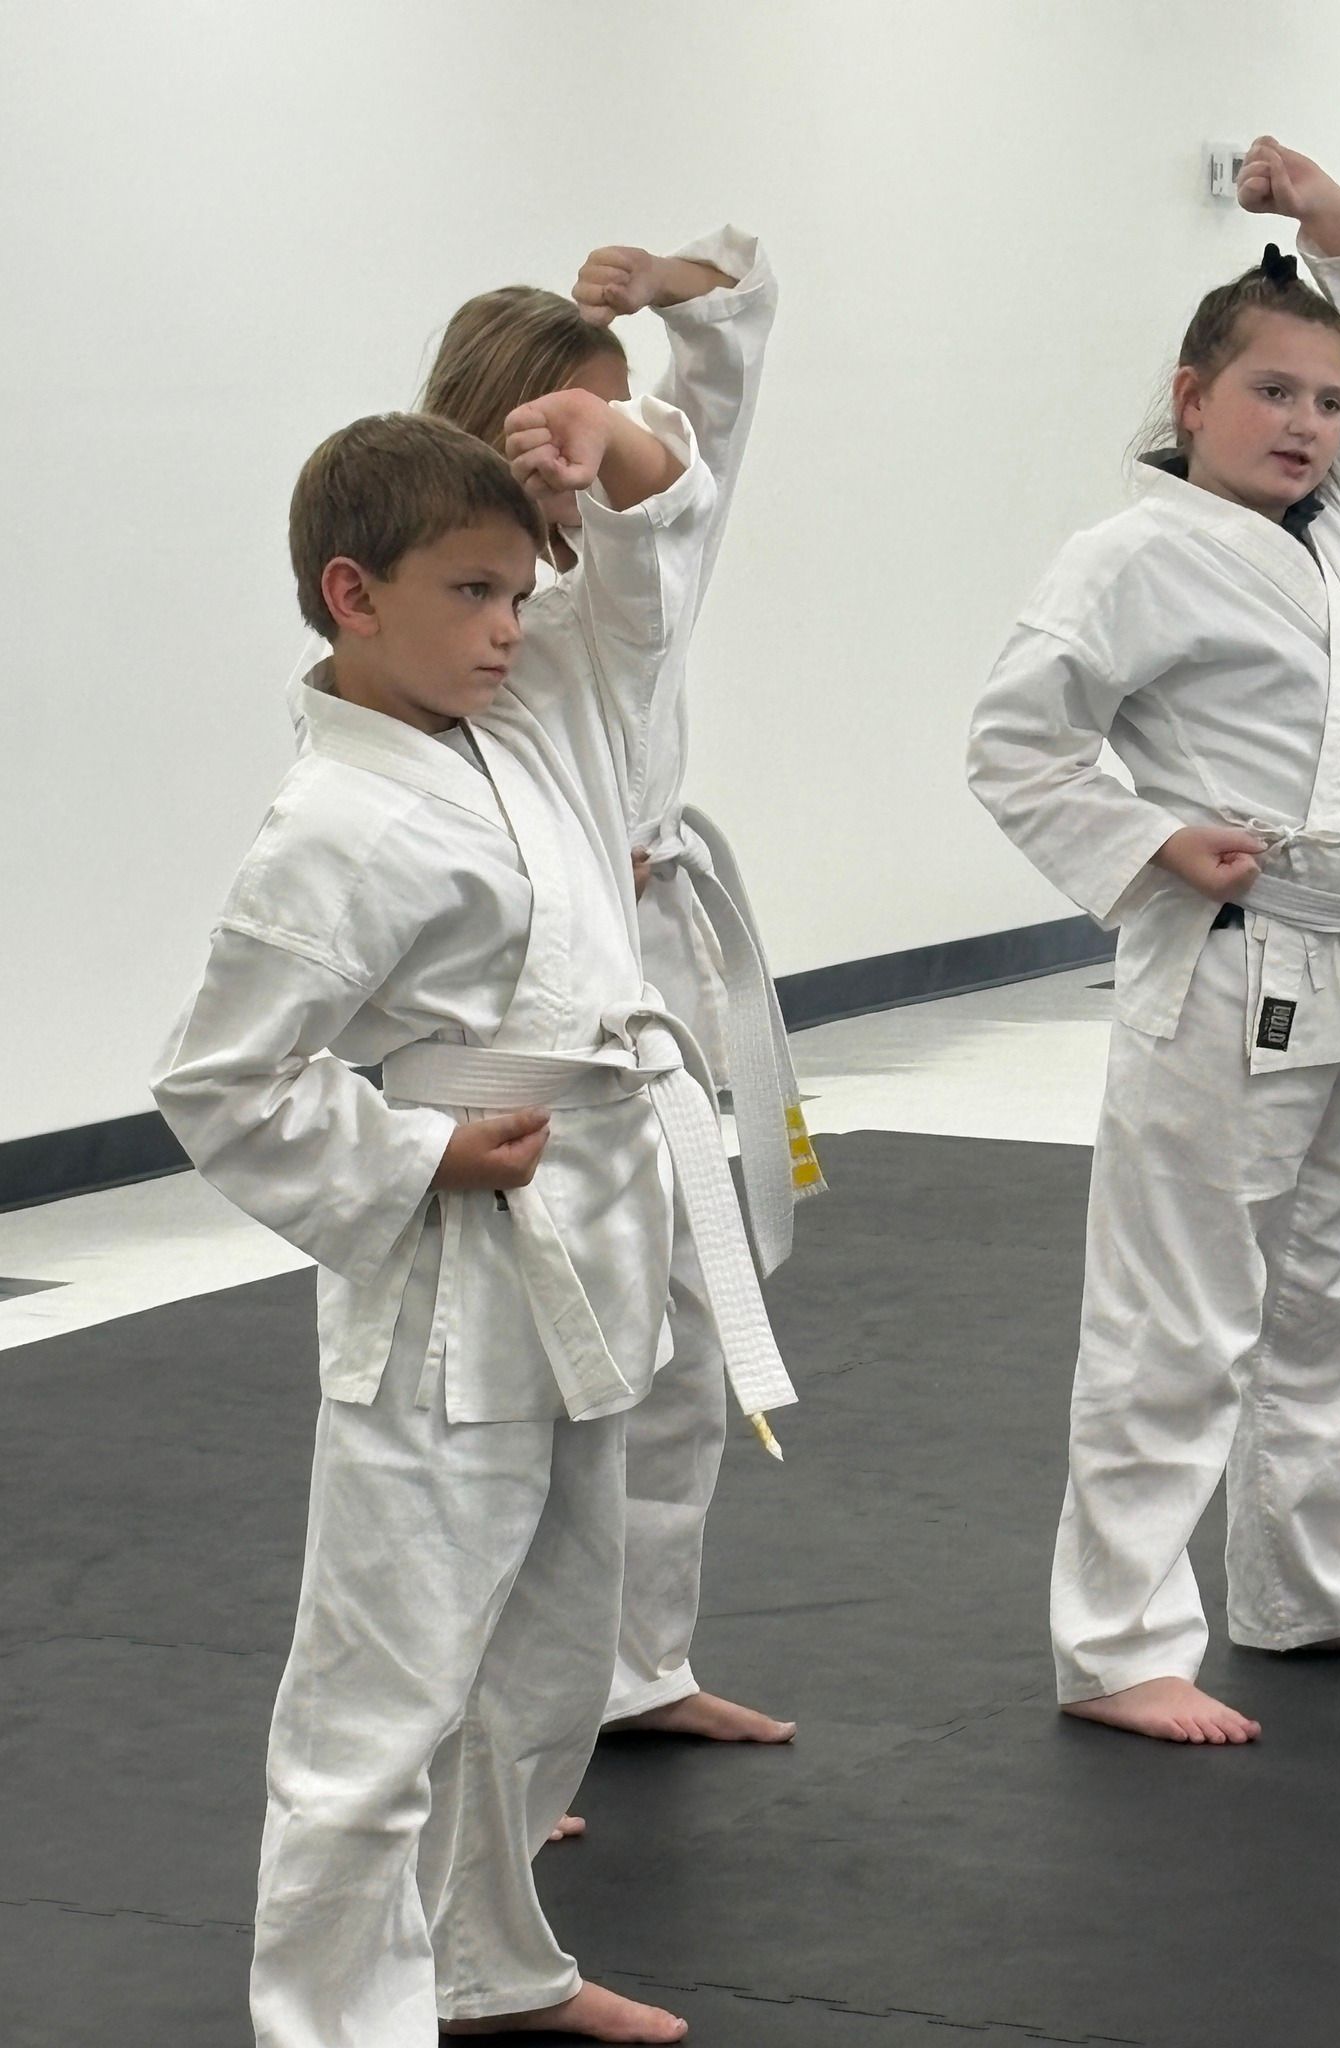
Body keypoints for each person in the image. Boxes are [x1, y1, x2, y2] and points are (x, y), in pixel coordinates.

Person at [154, 405, 793, 2045]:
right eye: (472, 593)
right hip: (446, 1289)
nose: (511, 627)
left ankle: (488, 1962)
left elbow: (645, 574)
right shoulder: (332, 827)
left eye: (521, 590)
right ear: (351, 593)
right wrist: (416, 1148)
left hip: (582, 1230)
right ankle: (331, 2018)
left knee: (548, 1661)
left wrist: (610, 447)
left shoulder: (514, 734)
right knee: (384, 1694)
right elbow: (222, 1084)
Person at [967, 137, 1340, 1747]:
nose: (1307, 426)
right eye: (1271, 394)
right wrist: (1149, 844)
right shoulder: (1123, 559)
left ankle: (1303, 1583)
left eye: (1327, 403)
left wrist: (1338, 224)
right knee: (1178, 1314)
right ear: (1190, 398)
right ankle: (1119, 1640)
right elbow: (1014, 744)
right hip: (1231, 969)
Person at [422, 227, 817, 1747]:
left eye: (612, 424)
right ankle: (498, 1743)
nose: (597, 454)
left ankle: (636, 1665)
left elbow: (706, 432)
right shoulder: (464, 608)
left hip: (654, 980)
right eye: (563, 424)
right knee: (531, 1389)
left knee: (684, 1346)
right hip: (514, 1007)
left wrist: (672, 300)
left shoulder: (633, 550)